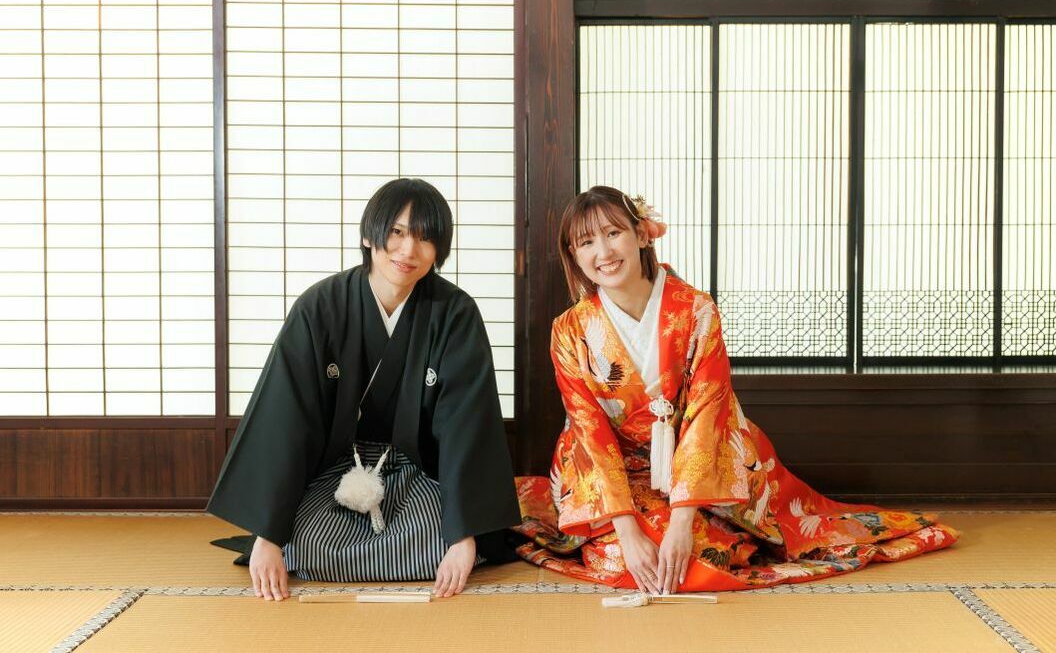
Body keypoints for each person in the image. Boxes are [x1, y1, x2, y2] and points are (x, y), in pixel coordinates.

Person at [512, 186, 958, 593]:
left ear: (642, 235)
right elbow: (589, 430)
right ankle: (633, 531)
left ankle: (699, 525)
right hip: (616, 475)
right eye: (587, 242)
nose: (604, 252)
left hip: (700, 457)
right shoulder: (569, 330)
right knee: (620, 556)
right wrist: (627, 531)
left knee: (698, 553)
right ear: (573, 254)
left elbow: (708, 410)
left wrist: (682, 522)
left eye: (614, 233)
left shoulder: (695, 310)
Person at [208, 178, 521, 600]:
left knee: (441, 543)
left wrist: (463, 535)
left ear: (440, 249)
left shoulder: (455, 313)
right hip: (335, 472)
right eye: (397, 232)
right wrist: (268, 534)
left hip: (418, 476)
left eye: (424, 238)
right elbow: (286, 417)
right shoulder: (320, 306)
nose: (408, 250)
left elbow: (466, 425)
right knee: (304, 539)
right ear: (369, 235)